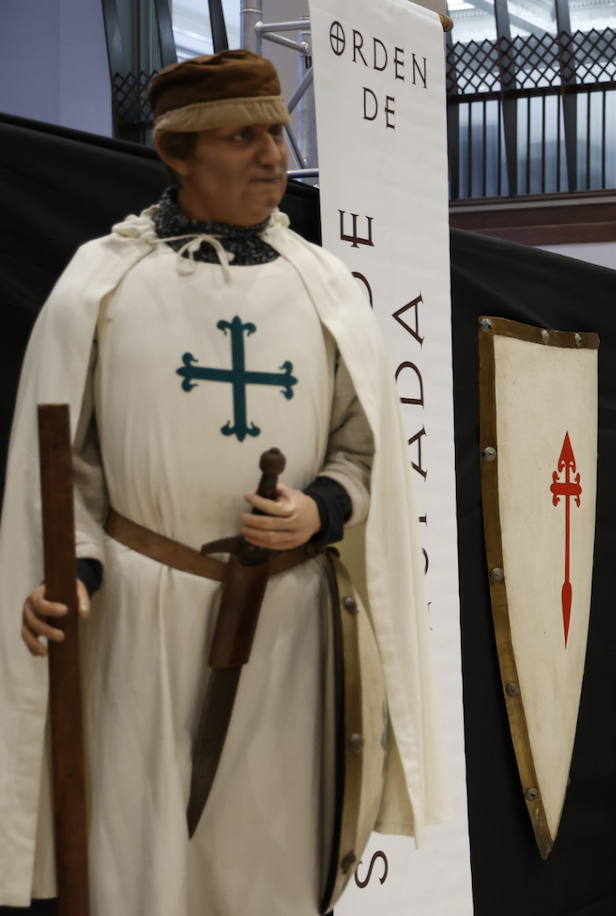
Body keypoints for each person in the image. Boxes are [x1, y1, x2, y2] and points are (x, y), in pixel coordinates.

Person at [0, 50, 444, 914]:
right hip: (140, 626)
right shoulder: (103, 283)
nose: (274, 155)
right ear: (178, 153)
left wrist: (317, 509)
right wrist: (76, 572)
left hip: (287, 627)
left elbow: (365, 448)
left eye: (276, 131)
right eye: (243, 137)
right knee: (142, 866)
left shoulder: (325, 287)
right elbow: (65, 471)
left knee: (269, 870)